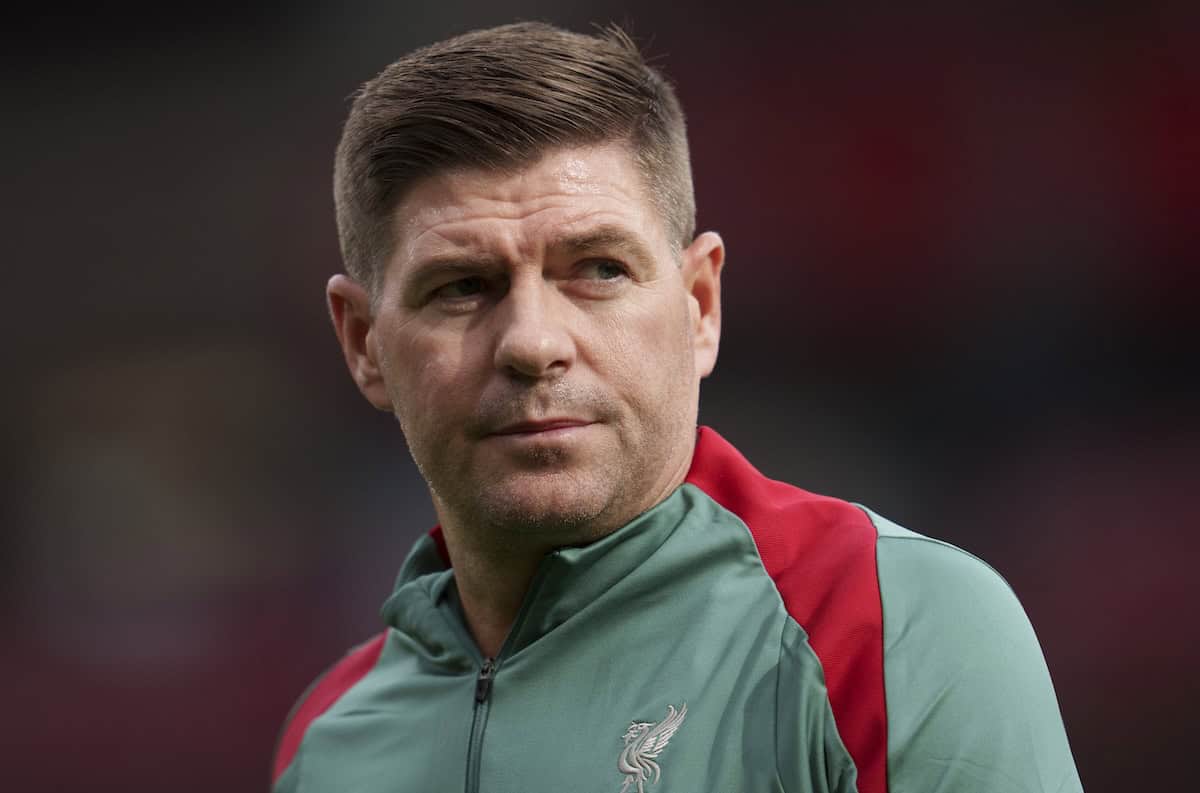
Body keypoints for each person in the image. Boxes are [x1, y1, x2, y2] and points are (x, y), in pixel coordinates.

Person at [271, 21, 1082, 793]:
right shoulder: (329, 737)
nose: (531, 341)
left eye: (597, 268)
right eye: (461, 287)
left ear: (699, 305)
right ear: (365, 342)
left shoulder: (888, 623)